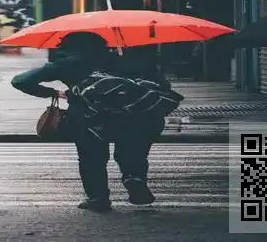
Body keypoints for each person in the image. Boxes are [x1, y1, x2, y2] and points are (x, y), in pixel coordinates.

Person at [10, 32, 181, 212]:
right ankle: (133, 177)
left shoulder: (67, 63)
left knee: (91, 158)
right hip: (129, 116)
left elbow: (21, 81)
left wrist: (53, 92)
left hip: (88, 119)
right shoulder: (123, 59)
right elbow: (162, 85)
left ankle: (98, 198)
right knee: (132, 151)